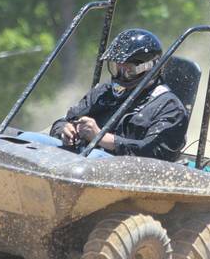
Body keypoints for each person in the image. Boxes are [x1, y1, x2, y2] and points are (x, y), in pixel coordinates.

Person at [20, 29, 188, 161]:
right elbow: (66, 119)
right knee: (26, 140)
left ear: (150, 67)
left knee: (93, 160)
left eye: (128, 70)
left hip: (123, 170)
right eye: (116, 68)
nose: (120, 76)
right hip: (81, 159)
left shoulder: (169, 107)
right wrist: (64, 129)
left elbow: (155, 154)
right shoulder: (105, 91)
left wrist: (101, 138)